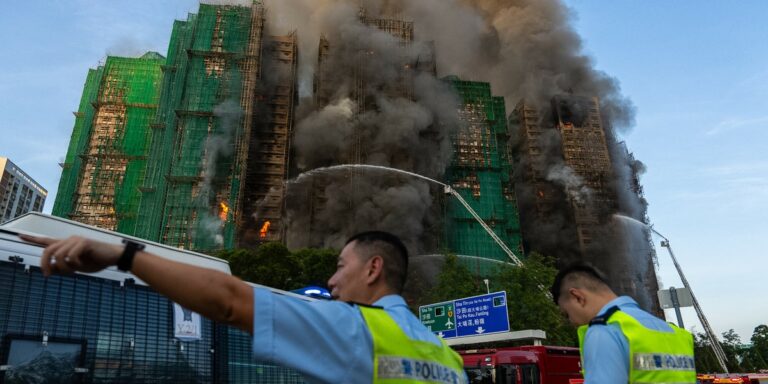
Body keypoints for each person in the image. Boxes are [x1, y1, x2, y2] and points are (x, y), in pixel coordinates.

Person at [21, 230, 468, 384]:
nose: (331, 280)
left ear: (373, 270)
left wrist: (125, 256)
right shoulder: (449, 360)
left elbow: (230, 301)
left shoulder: (354, 329)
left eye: (339, 266)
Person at [551, 263, 696, 384]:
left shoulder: (605, 330)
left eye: (566, 314)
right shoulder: (676, 334)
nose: (571, 321)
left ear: (577, 297)